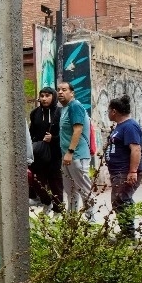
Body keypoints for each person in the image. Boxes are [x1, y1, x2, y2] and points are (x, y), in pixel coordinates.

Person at [104, 95, 142, 238]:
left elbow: (136, 149)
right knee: (119, 200)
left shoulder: (130, 126)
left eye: (108, 110)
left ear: (114, 111)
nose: (107, 113)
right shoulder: (120, 126)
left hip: (125, 171)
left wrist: (132, 171)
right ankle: (126, 232)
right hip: (118, 172)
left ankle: (129, 234)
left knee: (122, 200)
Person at [56, 81, 94, 218]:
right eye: (58, 89)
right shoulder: (65, 108)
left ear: (72, 93)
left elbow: (77, 130)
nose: (60, 92)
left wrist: (70, 152)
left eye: (64, 89)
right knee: (70, 189)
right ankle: (71, 220)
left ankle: (91, 219)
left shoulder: (75, 106)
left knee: (83, 188)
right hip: (67, 156)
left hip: (76, 155)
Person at [29, 87, 63, 212]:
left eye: (47, 96)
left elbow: (66, 133)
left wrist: (54, 138)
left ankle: (58, 211)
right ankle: (46, 202)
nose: (44, 98)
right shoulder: (35, 113)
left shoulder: (60, 112)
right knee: (37, 181)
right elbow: (31, 132)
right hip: (38, 153)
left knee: (55, 183)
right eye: (42, 96)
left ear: (53, 97)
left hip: (55, 154)